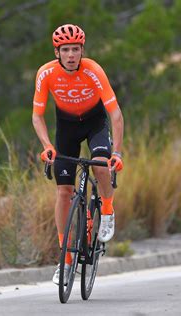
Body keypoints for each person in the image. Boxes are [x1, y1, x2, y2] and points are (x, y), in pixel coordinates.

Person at [31, 24, 124, 285]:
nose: (71, 54)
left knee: (100, 164)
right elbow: (37, 116)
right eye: (66, 50)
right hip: (67, 127)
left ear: (82, 50)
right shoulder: (46, 73)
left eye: (75, 49)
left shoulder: (93, 70)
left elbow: (115, 114)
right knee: (63, 192)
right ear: (57, 52)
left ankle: (106, 209)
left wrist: (116, 152)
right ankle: (66, 259)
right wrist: (47, 145)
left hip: (95, 123)